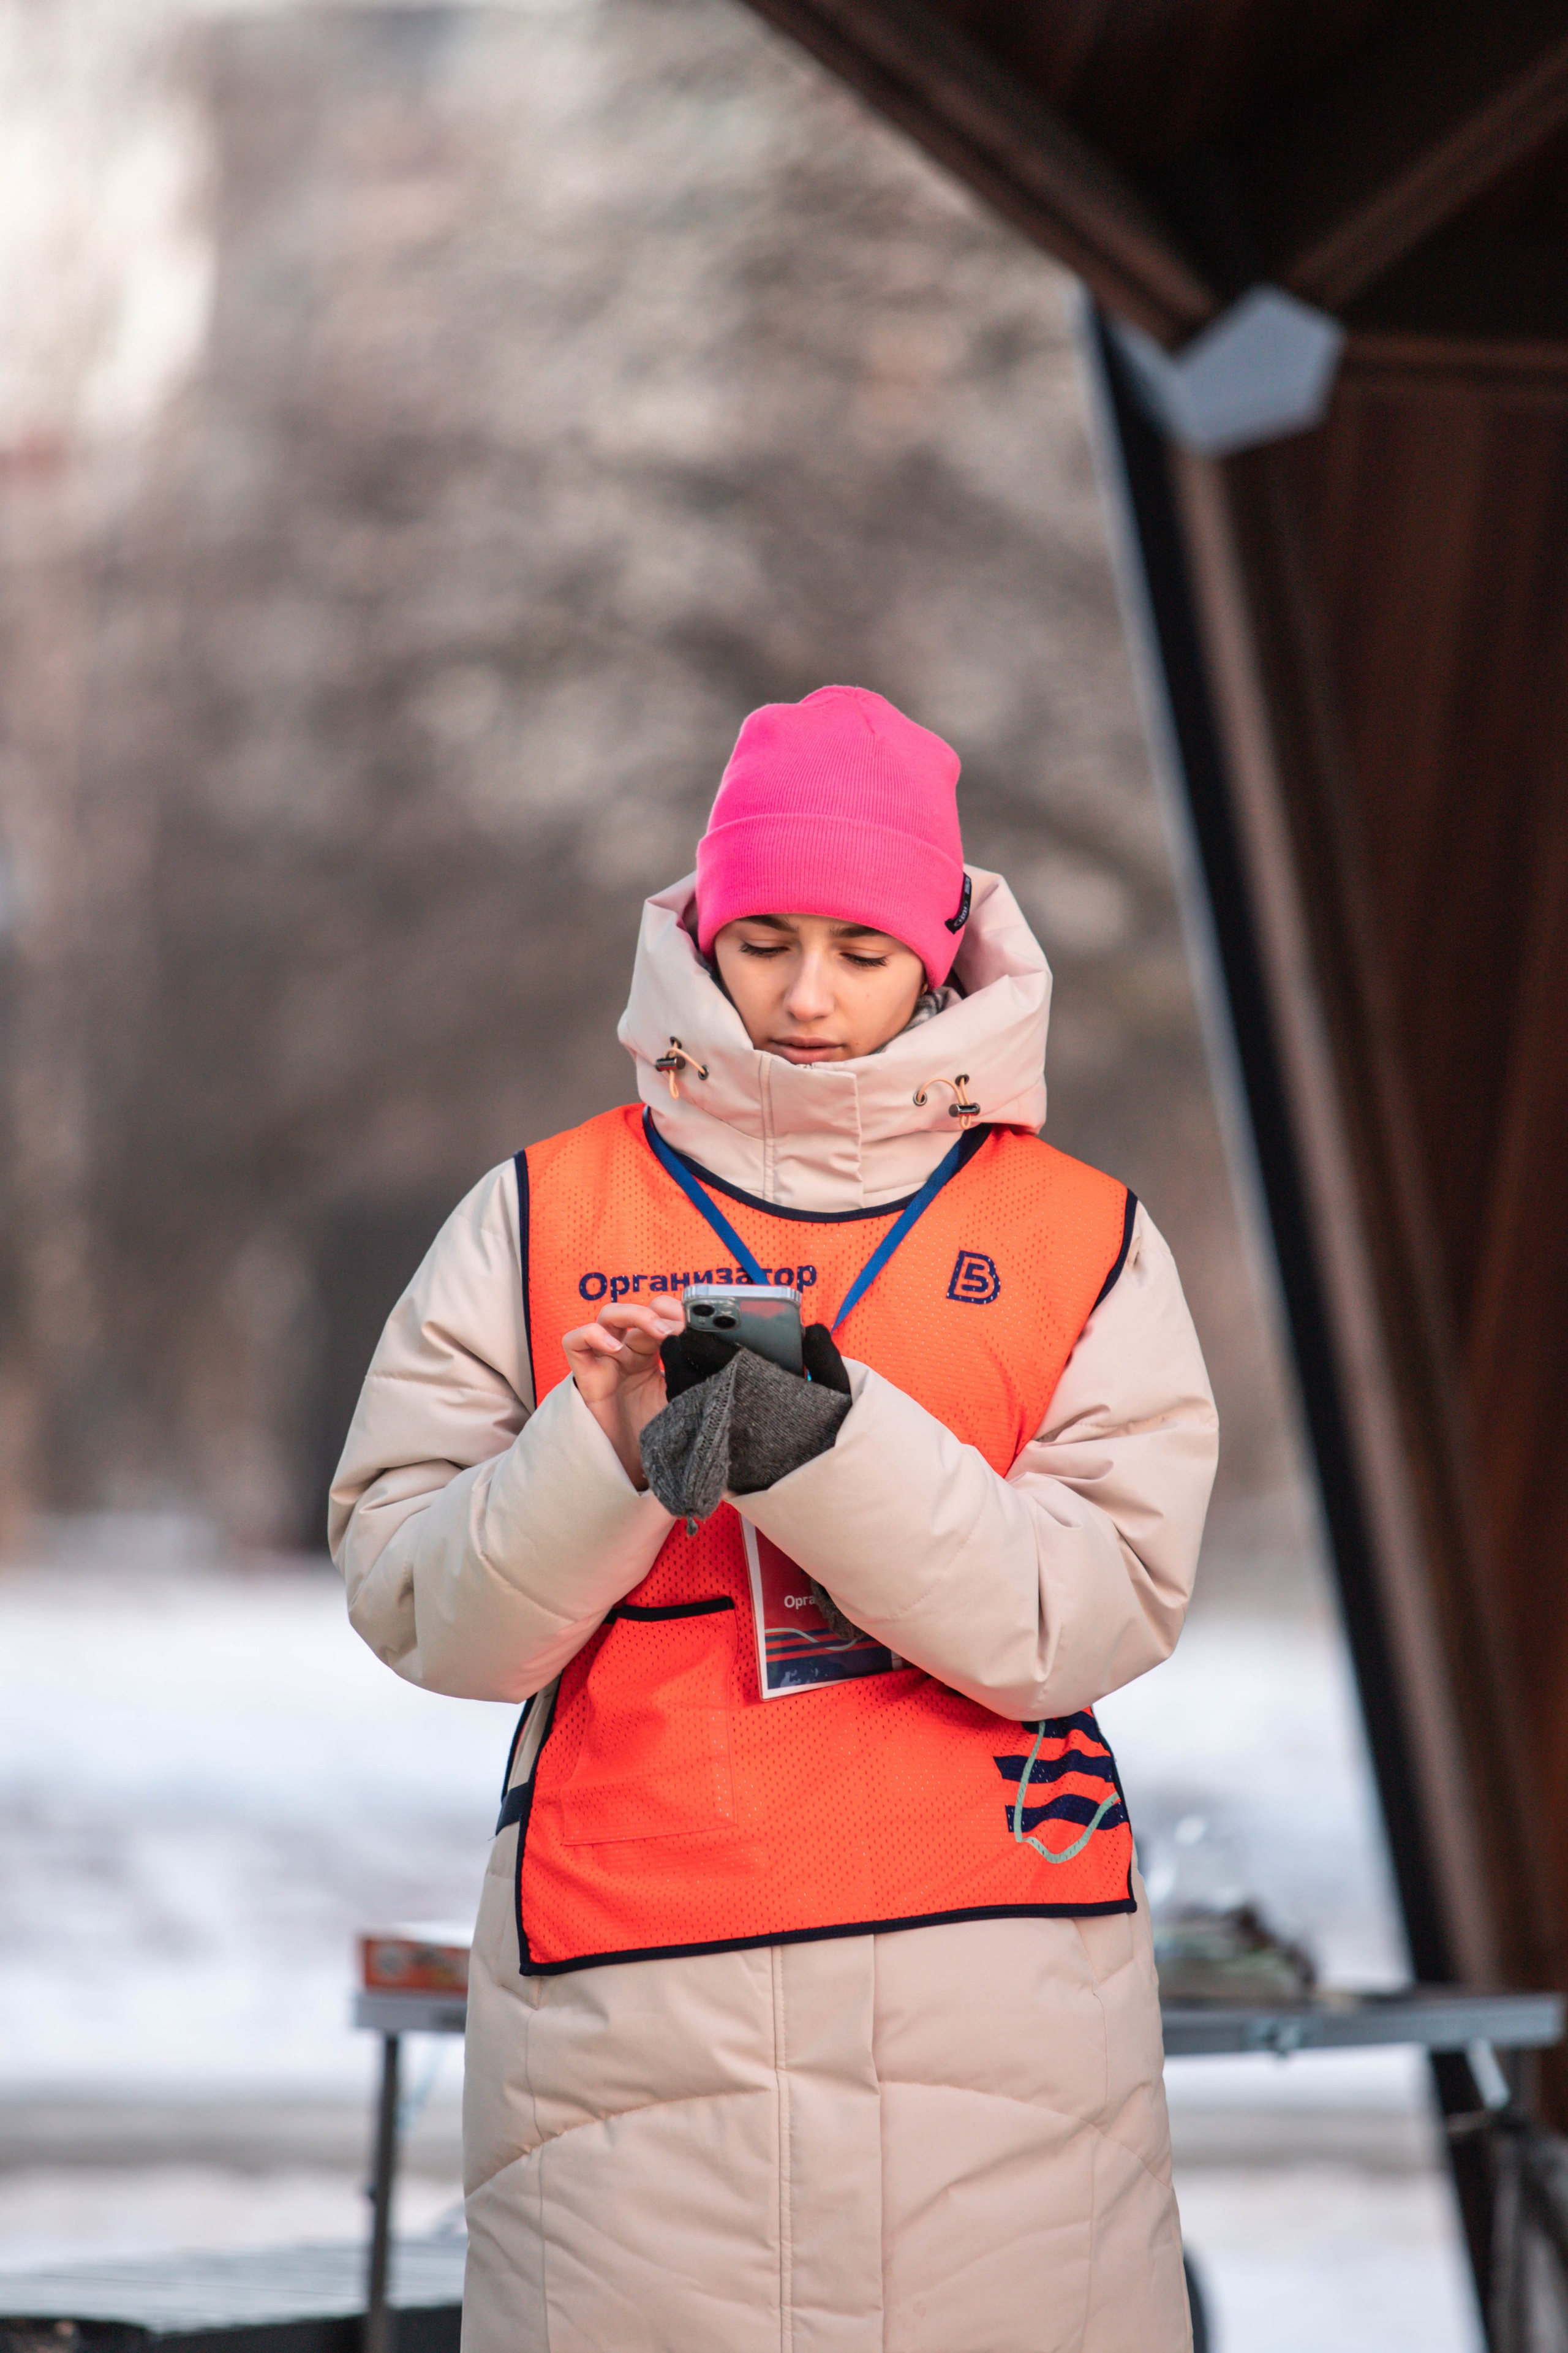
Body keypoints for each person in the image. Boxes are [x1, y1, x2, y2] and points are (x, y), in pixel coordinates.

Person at [331, 684, 1218, 2353]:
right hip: (630, 2020)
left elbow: (1088, 1610)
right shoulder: (535, 1215)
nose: (808, 996)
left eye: (864, 951)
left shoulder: (1084, 1234)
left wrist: (822, 1439)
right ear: (704, 931)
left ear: (942, 952)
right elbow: (420, 1601)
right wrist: (594, 1450)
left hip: (1001, 2018)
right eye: (767, 941)